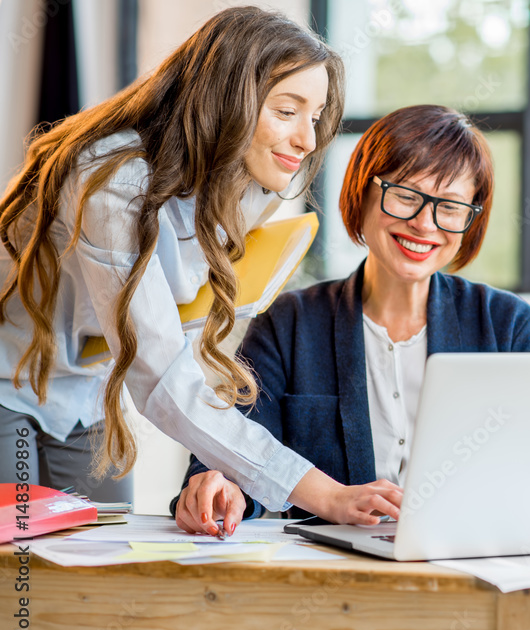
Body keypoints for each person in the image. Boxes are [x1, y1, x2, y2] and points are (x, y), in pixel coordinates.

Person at [0, 7, 384, 537]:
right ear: (225, 98)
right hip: (7, 372)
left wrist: (226, 468)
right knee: (13, 578)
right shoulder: (113, 181)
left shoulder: (251, 189)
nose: (308, 139)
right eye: (287, 110)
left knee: (101, 568)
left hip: (85, 387)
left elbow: (178, 332)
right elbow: (160, 372)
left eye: (314, 116)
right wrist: (324, 493)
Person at [171, 104, 530, 533]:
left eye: (449, 207)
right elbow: (229, 446)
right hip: (331, 578)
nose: (425, 225)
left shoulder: (508, 327)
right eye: (406, 197)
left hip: (472, 565)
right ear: (363, 191)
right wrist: (219, 485)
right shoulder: (291, 323)